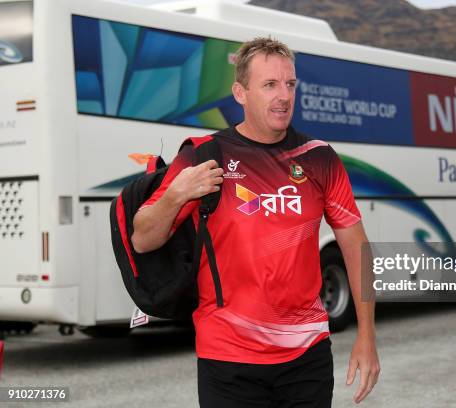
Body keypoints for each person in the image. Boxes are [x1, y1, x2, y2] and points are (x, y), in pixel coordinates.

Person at [131, 37, 379, 407]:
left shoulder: (320, 158)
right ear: (240, 92)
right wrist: (176, 194)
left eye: (290, 84)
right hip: (228, 359)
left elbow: (356, 247)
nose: (283, 96)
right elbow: (142, 239)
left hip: (307, 356)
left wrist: (367, 336)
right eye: (269, 85)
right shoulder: (203, 154)